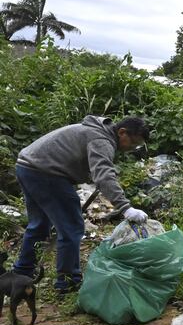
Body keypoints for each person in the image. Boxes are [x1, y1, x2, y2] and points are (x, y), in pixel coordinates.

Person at [13, 116, 151, 294]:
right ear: (122, 132)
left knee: (39, 224)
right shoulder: (101, 140)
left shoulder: (97, 132)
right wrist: (125, 208)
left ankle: (21, 274)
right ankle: (68, 282)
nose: (131, 148)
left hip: (28, 167)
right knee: (71, 227)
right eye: (132, 143)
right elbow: (103, 174)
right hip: (45, 172)